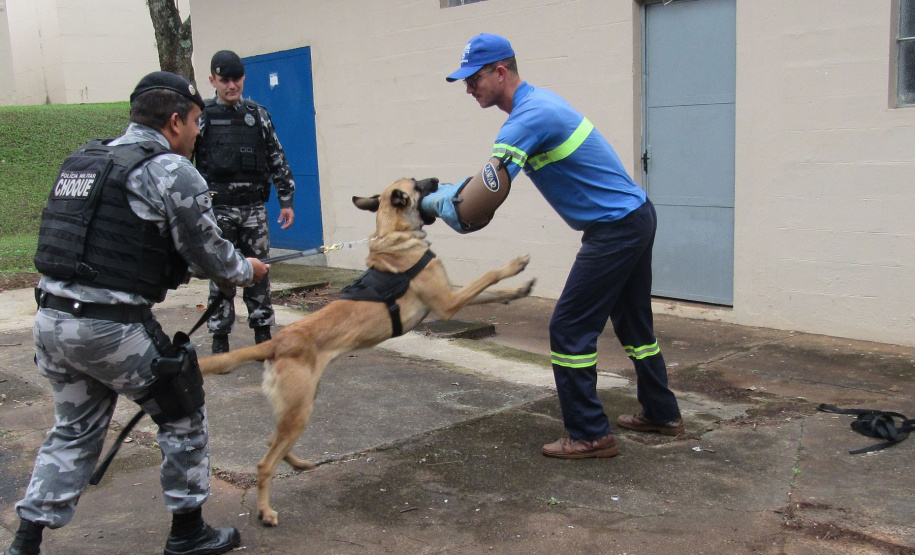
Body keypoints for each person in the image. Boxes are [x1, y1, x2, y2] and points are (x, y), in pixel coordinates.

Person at [5, 71, 269, 555]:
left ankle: (25, 542)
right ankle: (188, 534)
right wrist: (246, 270)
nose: (198, 133)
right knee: (183, 413)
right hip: (110, 329)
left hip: (51, 322)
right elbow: (208, 255)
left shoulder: (85, 160)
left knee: (74, 430)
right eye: (196, 122)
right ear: (175, 121)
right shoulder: (170, 170)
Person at [421, 34, 685, 460]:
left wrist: (429, 202)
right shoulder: (538, 104)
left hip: (616, 228)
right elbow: (484, 192)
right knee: (634, 325)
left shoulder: (527, 119)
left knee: (569, 327)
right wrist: (449, 194)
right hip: (635, 215)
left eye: (473, 79)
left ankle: (590, 434)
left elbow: (475, 207)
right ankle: (662, 413)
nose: (468, 89)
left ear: (500, 72)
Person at [194, 50, 296, 354]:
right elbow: (184, 161)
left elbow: (276, 157)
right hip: (218, 209)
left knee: (259, 273)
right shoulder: (201, 116)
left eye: (236, 79)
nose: (231, 85)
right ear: (212, 80)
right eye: (224, 80)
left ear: (243, 78)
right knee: (221, 273)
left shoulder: (258, 115)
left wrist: (286, 199)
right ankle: (219, 338)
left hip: (253, 209)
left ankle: (263, 335)